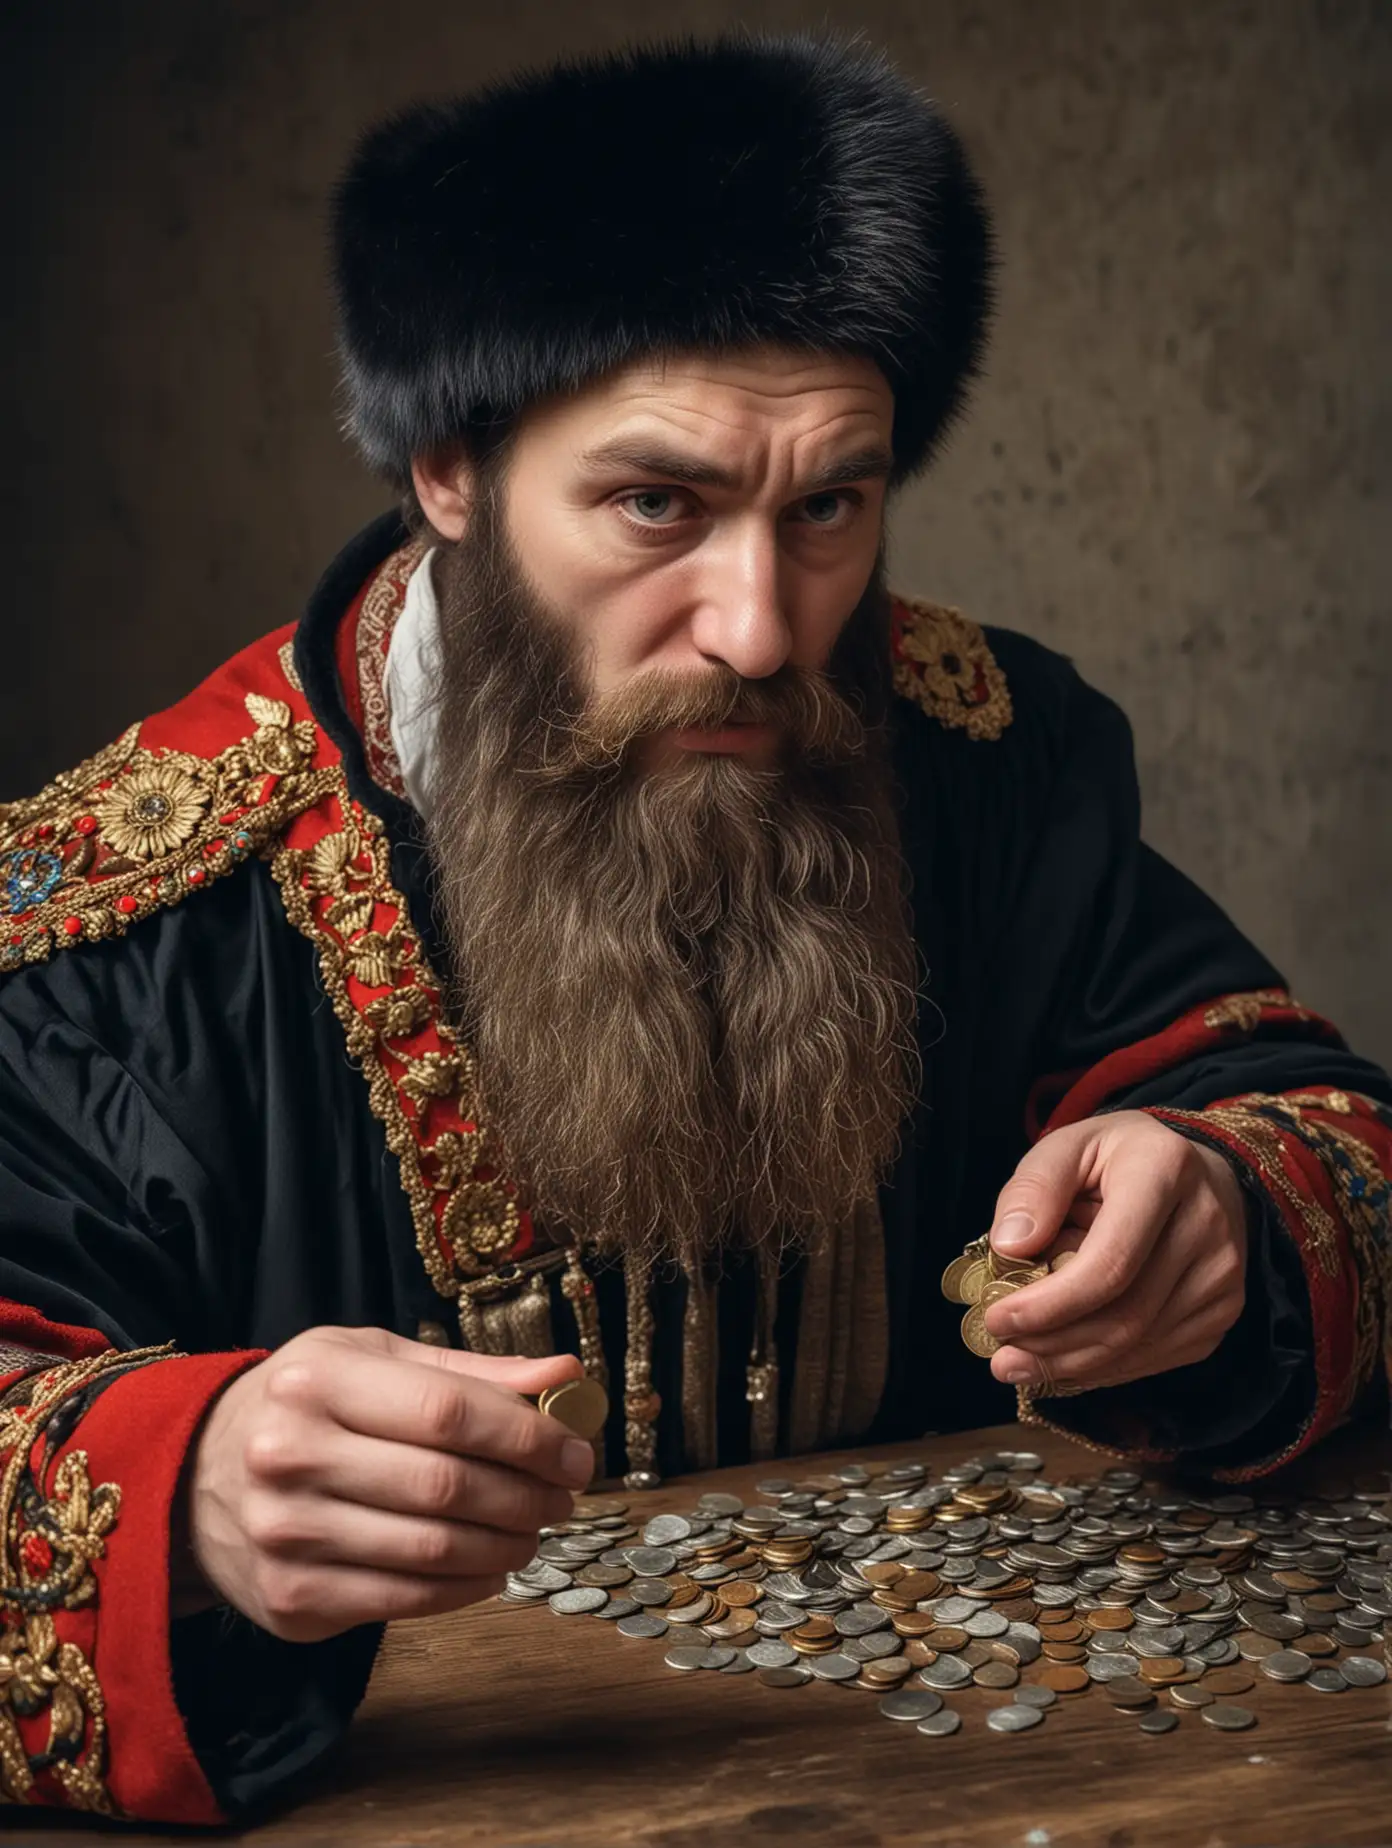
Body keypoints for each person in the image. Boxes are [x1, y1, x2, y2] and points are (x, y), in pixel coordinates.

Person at [0, 31, 1387, 1828]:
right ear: (448, 469)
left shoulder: (992, 759)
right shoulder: (128, 920)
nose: (759, 625)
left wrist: (1228, 1213)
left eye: (831, 506)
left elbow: (1320, 1120)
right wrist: (173, 1491)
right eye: (658, 504)